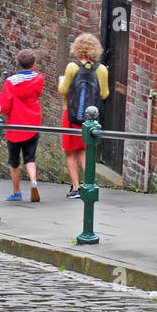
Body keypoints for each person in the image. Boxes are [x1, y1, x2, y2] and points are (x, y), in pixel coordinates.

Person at [59, 33, 109, 198]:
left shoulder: (72, 67)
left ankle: (76, 187)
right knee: (84, 150)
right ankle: (90, 184)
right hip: (90, 119)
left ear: (77, 48)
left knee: (70, 152)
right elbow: (104, 93)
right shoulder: (101, 69)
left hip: (71, 115)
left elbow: (63, 90)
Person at [0, 49, 44, 202]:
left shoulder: (10, 82)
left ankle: (16, 191)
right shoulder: (38, 78)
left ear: (19, 63)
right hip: (32, 123)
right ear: (34, 64)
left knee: (14, 161)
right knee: (30, 157)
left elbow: (4, 107)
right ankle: (33, 181)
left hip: (15, 126)